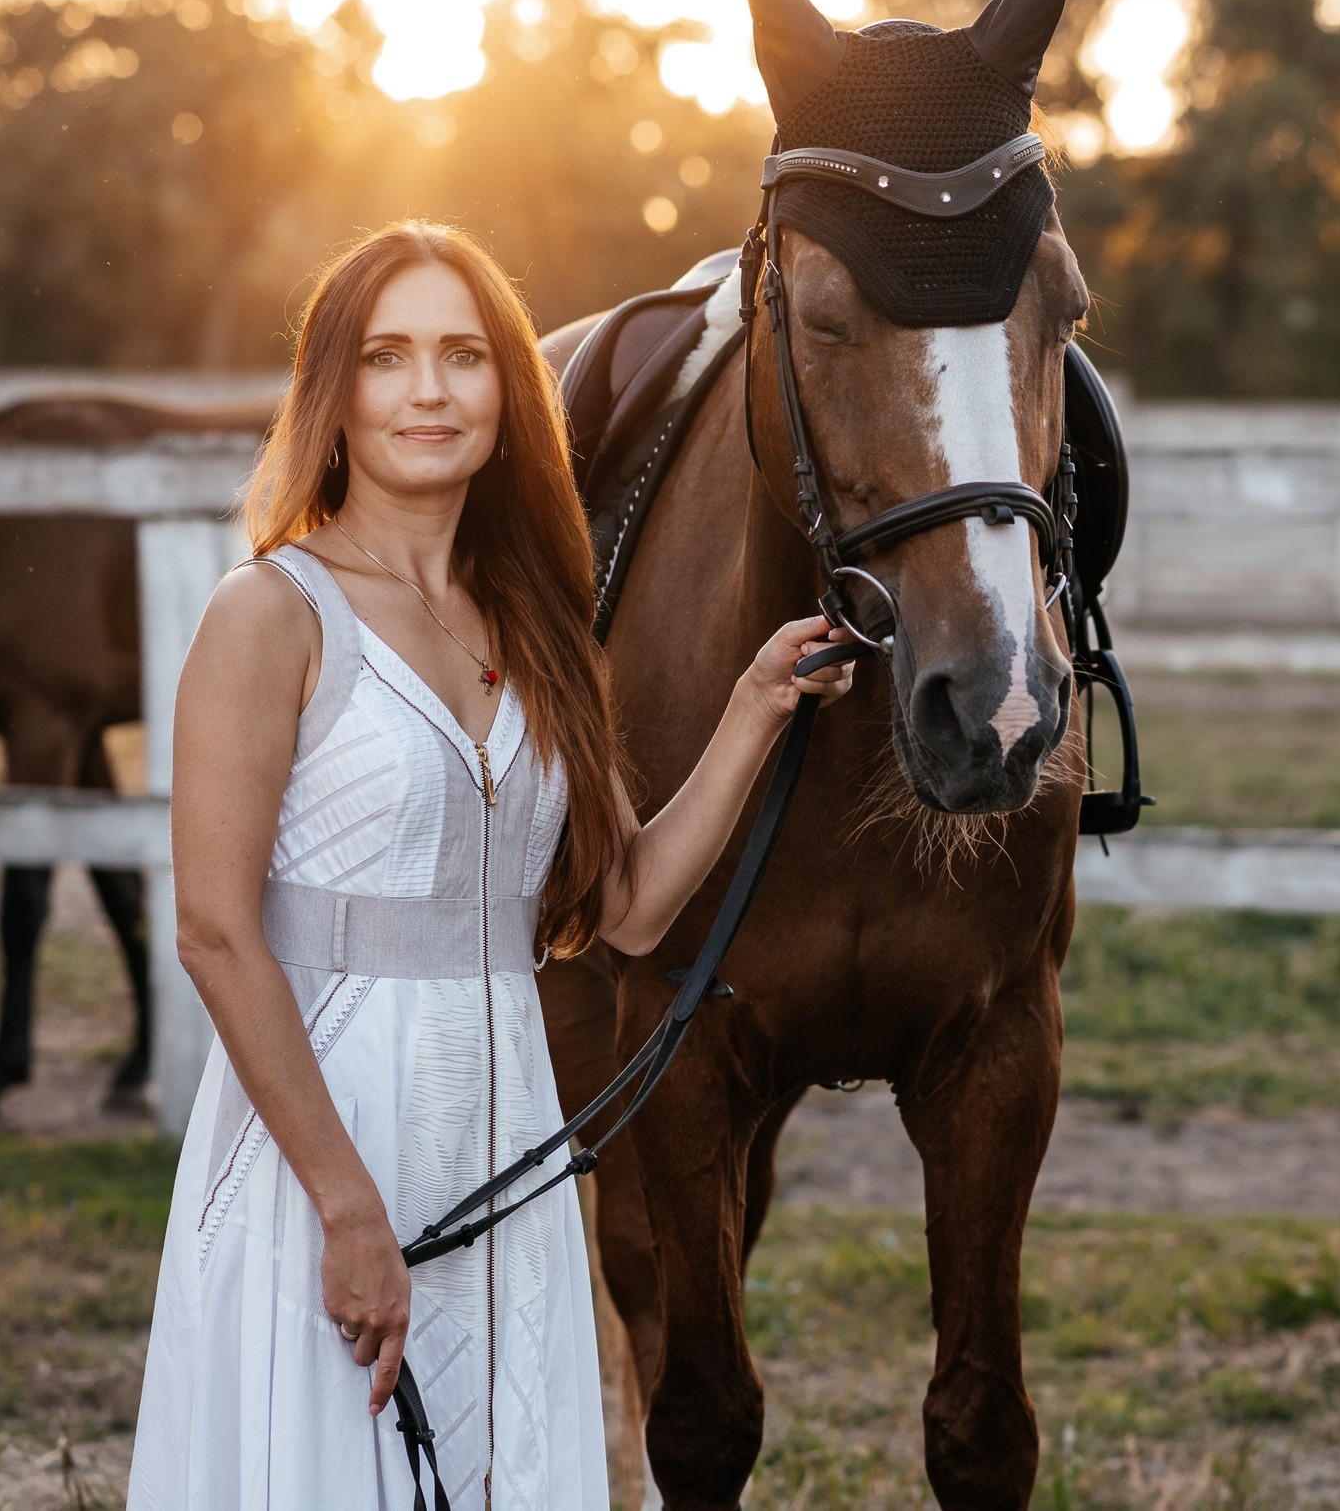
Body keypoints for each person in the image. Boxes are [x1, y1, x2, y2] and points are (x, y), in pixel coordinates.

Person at [127, 221, 853, 1509]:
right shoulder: (272, 614)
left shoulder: (533, 620)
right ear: (334, 394)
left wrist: (751, 707)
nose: (428, 390)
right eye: (388, 356)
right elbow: (214, 933)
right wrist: (347, 1207)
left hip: (505, 1125)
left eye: (463, 356)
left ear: (508, 395)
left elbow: (625, 909)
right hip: (323, 1131)